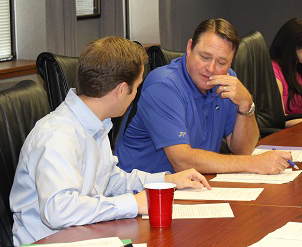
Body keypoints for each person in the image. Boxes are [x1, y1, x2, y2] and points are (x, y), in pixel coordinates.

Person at [9, 36, 211, 246]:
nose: (136, 95)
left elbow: (110, 180)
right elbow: (58, 211)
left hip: (83, 236)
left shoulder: (95, 122)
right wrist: (133, 203)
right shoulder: (57, 135)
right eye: (137, 87)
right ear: (122, 90)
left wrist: (166, 181)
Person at [115, 18, 292, 175]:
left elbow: (243, 150)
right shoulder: (163, 85)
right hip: (144, 194)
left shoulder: (227, 80)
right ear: (190, 47)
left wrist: (246, 104)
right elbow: (182, 160)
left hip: (192, 186)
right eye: (205, 57)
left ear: (231, 61)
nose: (212, 69)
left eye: (222, 62)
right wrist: (254, 163)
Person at [270, 18, 302, 126]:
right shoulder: (274, 71)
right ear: (291, 48)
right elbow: (279, 120)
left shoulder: (298, 66)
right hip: (289, 134)